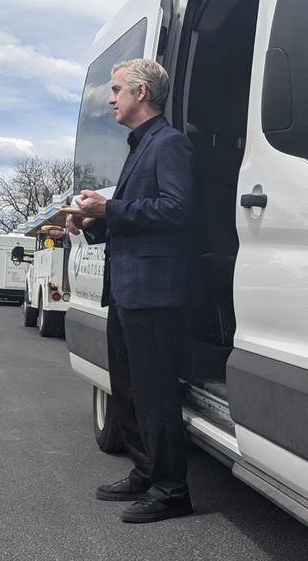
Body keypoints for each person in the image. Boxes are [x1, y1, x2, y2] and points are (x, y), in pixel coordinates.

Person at [60, 58, 196, 524]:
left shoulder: (170, 144)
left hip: (154, 292)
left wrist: (110, 208)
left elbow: (176, 211)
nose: (111, 98)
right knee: (129, 388)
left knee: (155, 393)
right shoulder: (140, 146)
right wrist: (91, 222)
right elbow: (133, 218)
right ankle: (145, 473)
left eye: (117, 89)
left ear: (141, 92)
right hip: (127, 289)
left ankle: (172, 489)